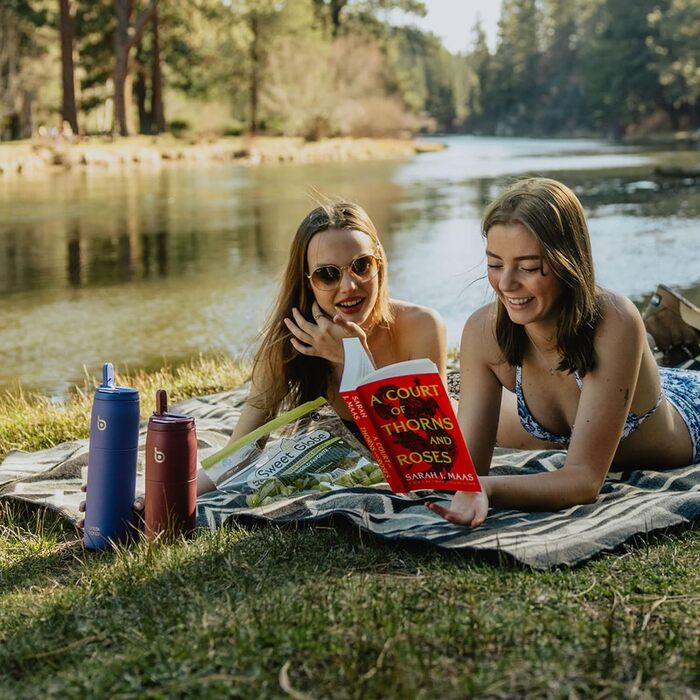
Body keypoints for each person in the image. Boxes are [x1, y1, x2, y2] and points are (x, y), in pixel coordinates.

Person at [428, 177, 700, 527]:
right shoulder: (484, 331)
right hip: (605, 394)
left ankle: (671, 335)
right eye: (495, 264)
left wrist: (489, 488)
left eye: (527, 267)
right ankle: (669, 336)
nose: (507, 283)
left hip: (688, 409)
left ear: (567, 262)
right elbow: (465, 475)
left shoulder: (614, 318)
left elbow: (584, 480)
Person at [196, 200, 447, 495]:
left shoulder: (422, 326)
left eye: (361, 265)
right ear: (307, 283)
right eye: (327, 274)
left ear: (379, 263)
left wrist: (355, 360)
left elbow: (430, 455)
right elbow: (239, 450)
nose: (349, 286)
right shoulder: (290, 340)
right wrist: (170, 493)